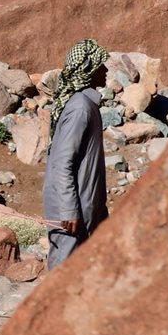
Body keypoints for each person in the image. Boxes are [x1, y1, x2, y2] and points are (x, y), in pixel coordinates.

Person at [43, 38, 110, 270]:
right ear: (89, 70)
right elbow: (62, 163)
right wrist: (69, 210)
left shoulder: (84, 104)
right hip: (72, 208)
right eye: (101, 65)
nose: (106, 70)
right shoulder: (80, 108)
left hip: (85, 203)